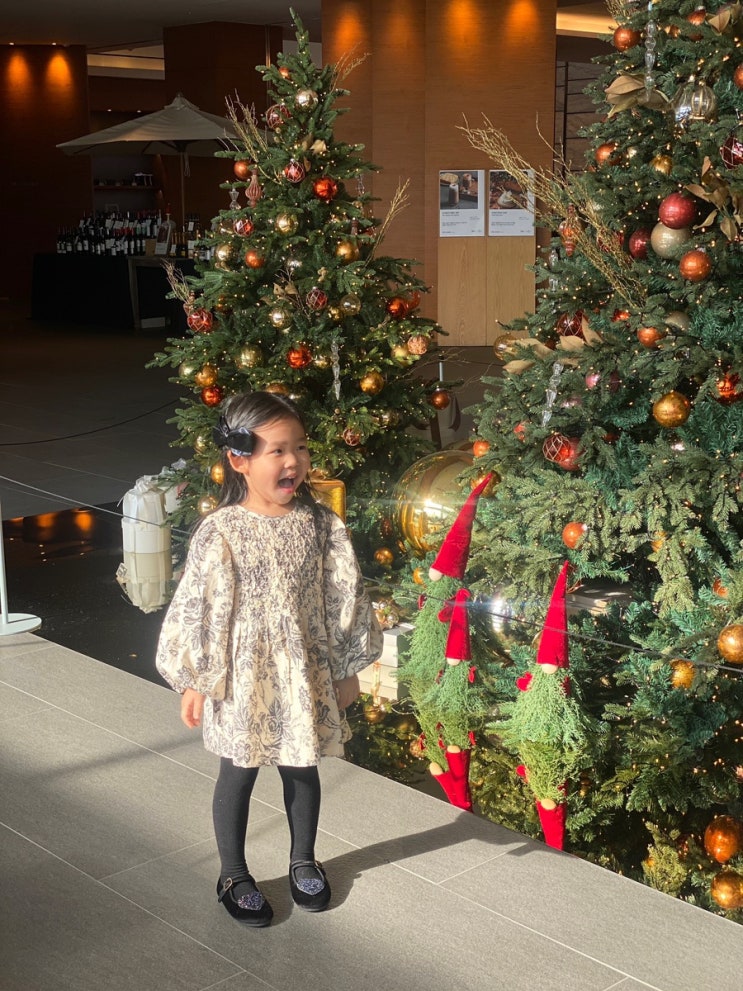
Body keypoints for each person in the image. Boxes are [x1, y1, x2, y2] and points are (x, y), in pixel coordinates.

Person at [156, 391, 383, 926]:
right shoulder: (222, 530)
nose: (293, 461)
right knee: (237, 771)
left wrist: (348, 665)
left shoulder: (321, 524)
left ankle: (303, 858)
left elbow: (343, 595)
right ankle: (233, 873)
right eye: (277, 450)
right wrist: (195, 678)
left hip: (303, 670)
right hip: (241, 676)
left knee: (302, 765)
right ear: (239, 459)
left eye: (300, 447)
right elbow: (200, 606)